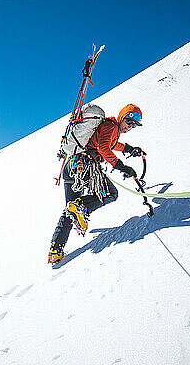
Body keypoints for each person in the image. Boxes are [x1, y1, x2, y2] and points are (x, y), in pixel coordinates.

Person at [48, 104, 145, 264]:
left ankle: (55, 250)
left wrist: (129, 149)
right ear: (122, 117)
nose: (130, 126)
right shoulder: (110, 125)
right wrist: (121, 166)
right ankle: (82, 207)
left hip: (72, 168)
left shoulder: (110, 129)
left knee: (71, 210)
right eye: (129, 122)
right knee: (110, 194)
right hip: (85, 166)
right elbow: (103, 147)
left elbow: (112, 144)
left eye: (134, 125)